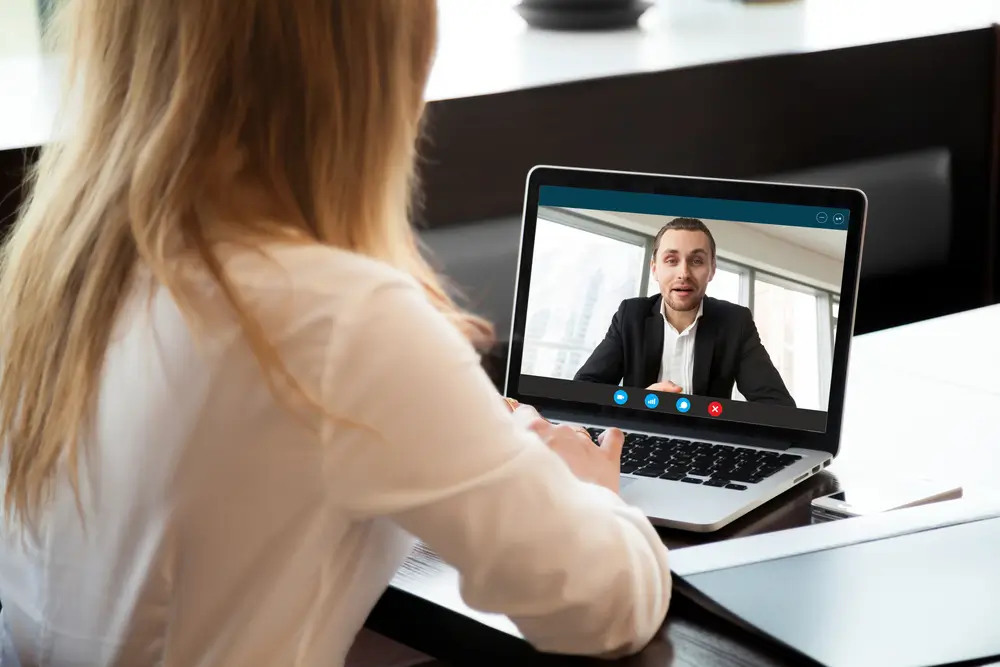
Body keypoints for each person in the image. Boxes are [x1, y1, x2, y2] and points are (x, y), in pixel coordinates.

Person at [0, 2, 672, 666]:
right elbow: (602, 606)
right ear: (371, 69)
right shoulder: (338, 318)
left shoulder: (58, 275)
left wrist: (464, 447)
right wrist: (585, 492)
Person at [574, 218, 795, 407]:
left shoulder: (735, 322)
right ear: (654, 268)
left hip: (706, 444)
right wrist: (638, 402)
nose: (684, 273)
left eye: (697, 261)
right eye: (671, 260)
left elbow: (778, 406)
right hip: (635, 437)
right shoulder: (630, 316)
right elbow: (584, 390)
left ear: (711, 270)